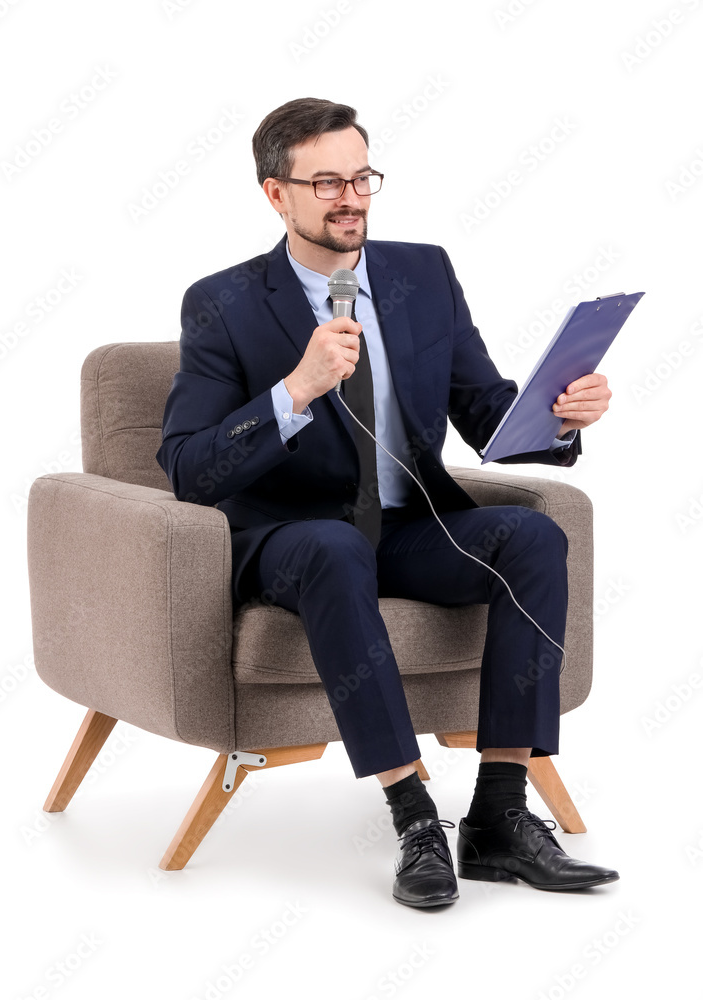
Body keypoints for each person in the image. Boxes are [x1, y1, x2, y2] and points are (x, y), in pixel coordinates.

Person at [156, 97, 619, 908]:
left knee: (533, 538)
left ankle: (501, 820)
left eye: (362, 176)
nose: (351, 198)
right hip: (293, 538)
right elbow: (188, 469)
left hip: (409, 529)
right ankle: (413, 819)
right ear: (277, 194)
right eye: (327, 181)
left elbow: (486, 415)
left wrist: (558, 418)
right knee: (335, 548)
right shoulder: (223, 303)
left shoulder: (421, 273)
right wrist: (295, 390)